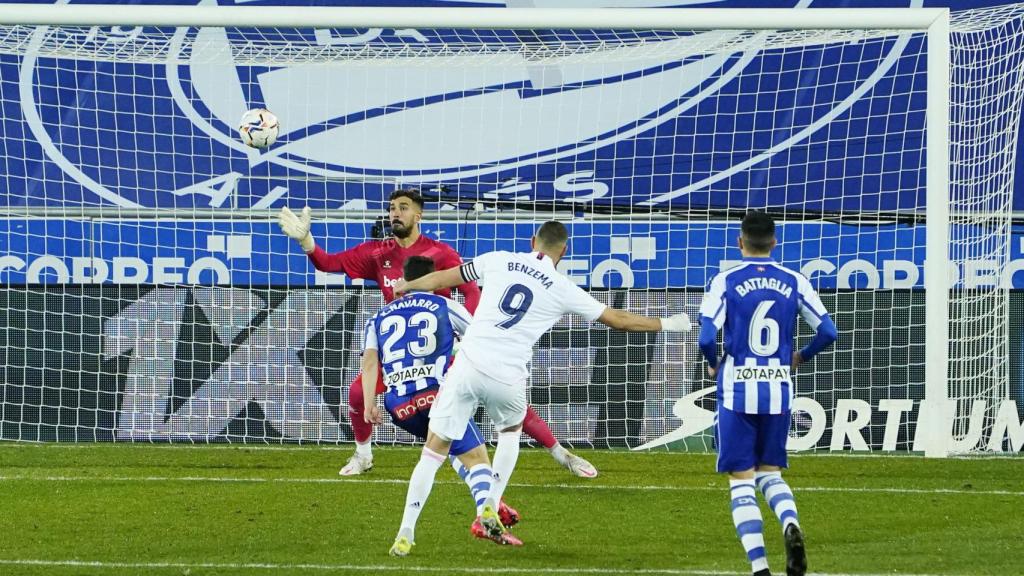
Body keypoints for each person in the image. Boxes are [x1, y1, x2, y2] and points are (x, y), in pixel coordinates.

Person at [387, 220, 692, 556]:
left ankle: (405, 531)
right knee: (509, 433)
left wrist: (407, 285)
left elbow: (445, 277)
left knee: (433, 453)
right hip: (508, 374)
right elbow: (618, 320)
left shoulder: (498, 258)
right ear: (564, 251)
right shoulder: (563, 287)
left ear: (532, 241)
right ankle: (489, 504)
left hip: (468, 365)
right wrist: (668, 324)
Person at [278, 189, 599, 478]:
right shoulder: (377, 253)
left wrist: (470, 335)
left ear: (418, 215)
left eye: (403, 208)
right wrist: (307, 242)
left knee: (501, 393)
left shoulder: (441, 253)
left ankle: (561, 453)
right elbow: (328, 263)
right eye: (391, 208)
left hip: (444, 350)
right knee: (359, 394)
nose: (395, 214)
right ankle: (364, 456)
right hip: (401, 353)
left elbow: (471, 292)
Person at [698, 212, 838, 576]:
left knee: (741, 481)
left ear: (739, 243)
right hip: (778, 390)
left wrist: (713, 363)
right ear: (774, 242)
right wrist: (800, 358)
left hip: (737, 392)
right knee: (771, 475)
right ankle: (789, 522)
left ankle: (760, 568)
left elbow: (705, 337)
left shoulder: (726, 281)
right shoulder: (794, 280)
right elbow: (828, 331)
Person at [360, 255, 523, 554]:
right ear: (432, 279)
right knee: (476, 458)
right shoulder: (444, 305)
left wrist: (370, 405)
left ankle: (489, 504)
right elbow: (479, 338)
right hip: (435, 395)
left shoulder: (378, 317)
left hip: (399, 407)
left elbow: (370, 364)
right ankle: (483, 515)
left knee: (446, 448)